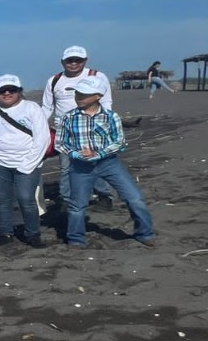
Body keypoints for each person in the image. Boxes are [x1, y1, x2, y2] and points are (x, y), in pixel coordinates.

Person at [58, 78, 155, 247]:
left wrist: (98, 153)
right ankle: (76, 239)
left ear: (98, 96)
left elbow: (120, 142)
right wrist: (77, 154)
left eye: (83, 94)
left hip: (109, 163)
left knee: (135, 198)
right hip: (80, 166)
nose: (78, 96)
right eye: (77, 92)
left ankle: (144, 233)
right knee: (77, 206)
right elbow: (60, 143)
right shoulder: (68, 117)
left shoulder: (111, 117)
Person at [0, 76, 50, 249]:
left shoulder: (32, 108)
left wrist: (28, 164)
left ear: (19, 91)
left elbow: (42, 139)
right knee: (2, 200)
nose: (7, 93)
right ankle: (6, 233)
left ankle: (33, 234)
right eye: (2, 91)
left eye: (12, 90)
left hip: (27, 163)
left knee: (26, 198)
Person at [41, 45, 115, 208]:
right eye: (70, 60)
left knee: (94, 163)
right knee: (67, 167)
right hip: (64, 131)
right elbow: (47, 107)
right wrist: (37, 125)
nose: (73, 63)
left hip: (91, 129)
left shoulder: (96, 76)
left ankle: (104, 196)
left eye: (78, 60)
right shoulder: (54, 80)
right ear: (62, 61)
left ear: (85, 60)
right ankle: (66, 199)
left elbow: (106, 101)